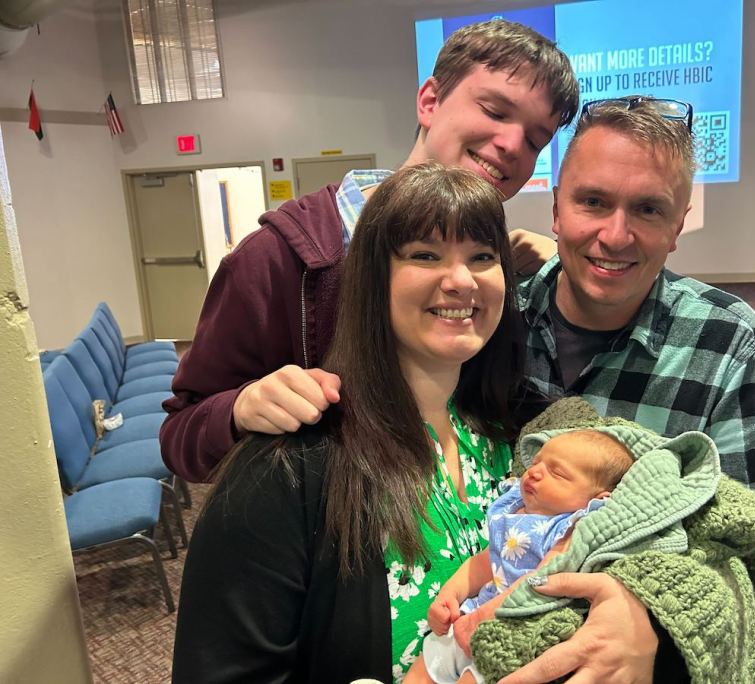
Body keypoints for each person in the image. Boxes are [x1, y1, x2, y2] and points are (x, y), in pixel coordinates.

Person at [160, 19, 578, 483]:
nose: (513, 145)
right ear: (430, 101)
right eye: (496, 112)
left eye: (537, 140)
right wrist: (240, 409)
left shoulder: (504, 272)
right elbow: (182, 435)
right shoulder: (280, 260)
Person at [172, 163, 526, 683]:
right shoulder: (289, 469)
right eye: (425, 255)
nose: (460, 280)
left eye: (482, 257)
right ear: (371, 278)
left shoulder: (513, 438)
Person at [513, 96, 755, 681]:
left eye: (647, 209)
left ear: (677, 226)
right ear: (556, 210)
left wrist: (657, 625)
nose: (615, 236)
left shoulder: (728, 343)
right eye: (593, 201)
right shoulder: (494, 321)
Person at [406, 428, 635, 684]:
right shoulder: (516, 511)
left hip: (510, 631)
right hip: (469, 616)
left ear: (597, 499)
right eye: (537, 462)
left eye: (557, 473)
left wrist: (488, 615)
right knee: (424, 666)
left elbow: (544, 577)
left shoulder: (570, 528)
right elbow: (485, 562)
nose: (534, 472)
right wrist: (450, 595)